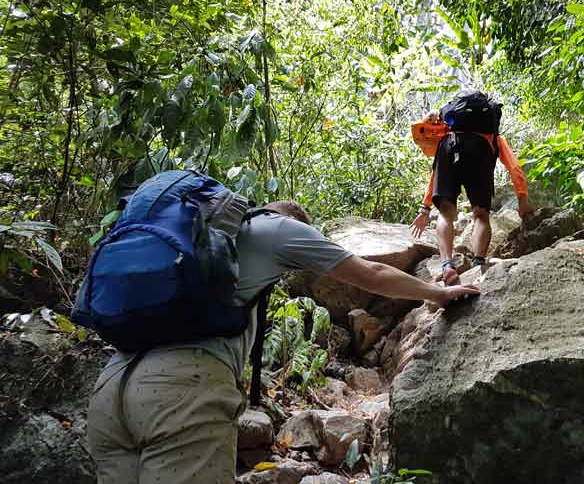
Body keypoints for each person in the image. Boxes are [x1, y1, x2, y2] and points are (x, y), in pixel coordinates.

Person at [87, 200, 479, 484]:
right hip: (179, 391)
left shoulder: (203, 231)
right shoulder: (279, 229)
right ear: (294, 220)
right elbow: (371, 272)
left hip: (112, 386)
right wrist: (438, 294)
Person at [410, 107, 533, 285]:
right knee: (481, 215)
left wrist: (425, 208)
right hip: (480, 151)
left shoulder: (448, 134)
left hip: (448, 147)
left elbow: (436, 174)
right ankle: (478, 264)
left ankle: (447, 266)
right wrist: (522, 200)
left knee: (445, 212)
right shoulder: (494, 137)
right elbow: (515, 168)